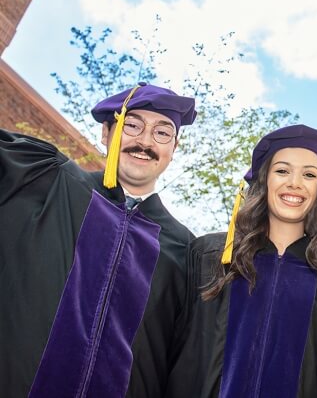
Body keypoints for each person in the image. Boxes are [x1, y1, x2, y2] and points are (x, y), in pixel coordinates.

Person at [0, 82, 198, 397]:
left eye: (162, 133)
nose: (145, 141)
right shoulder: (49, 182)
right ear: (106, 134)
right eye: (132, 125)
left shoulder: (187, 253)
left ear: (174, 149)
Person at [177, 124, 317, 397]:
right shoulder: (211, 255)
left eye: (309, 175)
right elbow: (180, 354)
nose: (295, 183)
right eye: (282, 170)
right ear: (265, 180)